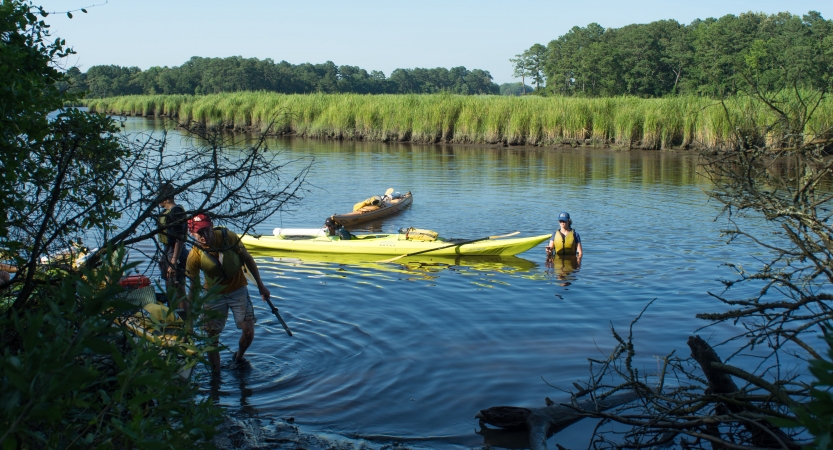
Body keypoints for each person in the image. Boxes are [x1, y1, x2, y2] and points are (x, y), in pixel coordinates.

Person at [185, 213, 271, 372]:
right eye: (199, 233)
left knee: (249, 332)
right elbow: (192, 288)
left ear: (211, 227)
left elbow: (248, 259)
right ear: (192, 234)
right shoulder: (194, 255)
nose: (204, 236)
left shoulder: (228, 237)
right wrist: (189, 321)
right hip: (213, 294)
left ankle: (238, 357)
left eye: (206, 230)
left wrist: (261, 286)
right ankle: (215, 375)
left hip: (238, 288)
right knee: (211, 337)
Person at [156, 183, 188, 311]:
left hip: (176, 253)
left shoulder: (176, 212)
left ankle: (184, 321)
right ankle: (174, 317)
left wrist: (174, 261)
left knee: (178, 287)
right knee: (170, 288)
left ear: (166, 198)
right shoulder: (165, 212)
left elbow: (179, 238)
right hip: (167, 251)